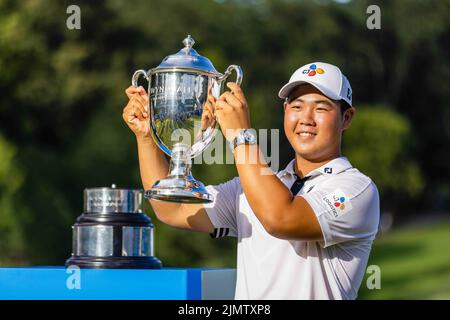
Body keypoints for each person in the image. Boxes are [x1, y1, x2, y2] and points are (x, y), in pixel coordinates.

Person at [122, 62, 380, 300]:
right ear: (285, 111)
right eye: (297, 106)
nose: (306, 118)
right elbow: (172, 209)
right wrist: (147, 138)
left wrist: (241, 135)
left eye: (321, 107)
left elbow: (281, 219)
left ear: (346, 118)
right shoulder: (253, 186)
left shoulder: (356, 189)